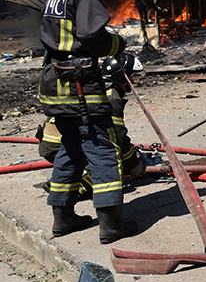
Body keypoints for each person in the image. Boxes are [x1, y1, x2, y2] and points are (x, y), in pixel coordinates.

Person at [40, 0, 131, 243]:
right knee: (102, 150)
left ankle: (62, 218)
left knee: (71, 149)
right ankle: (111, 225)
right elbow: (93, 37)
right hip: (81, 88)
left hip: (54, 83)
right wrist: (119, 44)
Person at [37, 51, 150, 198]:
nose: (133, 83)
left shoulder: (98, 87)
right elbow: (118, 137)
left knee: (86, 160)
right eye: (131, 78)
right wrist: (135, 166)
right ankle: (70, 190)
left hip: (56, 143)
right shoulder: (112, 97)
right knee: (107, 166)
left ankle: (63, 190)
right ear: (122, 77)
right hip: (62, 145)